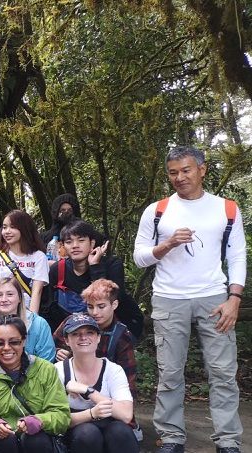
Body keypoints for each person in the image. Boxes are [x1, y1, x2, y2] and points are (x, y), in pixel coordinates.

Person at [132, 146, 245, 453]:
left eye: (186, 170)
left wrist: (234, 298)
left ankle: (228, 441)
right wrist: (166, 244)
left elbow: (236, 257)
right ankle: (171, 438)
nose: (179, 178)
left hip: (214, 298)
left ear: (202, 169)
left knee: (222, 372)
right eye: (172, 172)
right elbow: (139, 257)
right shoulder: (157, 211)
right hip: (169, 298)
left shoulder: (227, 208)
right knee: (170, 372)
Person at [0, 316, 71, 453]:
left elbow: (61, 415)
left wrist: (39, 421)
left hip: (38, 441)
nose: (6, 348)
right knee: (3, 441)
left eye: (14, 342)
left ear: (24, 341)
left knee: (35, 439)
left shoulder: (46, 369)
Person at [45, 220, 144, 338]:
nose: (75, 245)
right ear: (62, 246)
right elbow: (47, 308)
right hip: (74, 333)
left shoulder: (112, 264)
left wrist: (95, 267)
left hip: (116, 332)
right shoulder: (57, 270)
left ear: (92, 244)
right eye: (69, 242)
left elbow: (115, 299)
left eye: (81, 240)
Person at [53, 314, 136, 453]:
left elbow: (126, 415)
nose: (83, 337)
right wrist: (92, 413)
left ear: (98, 337)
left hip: (110, 430)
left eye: (89, 333)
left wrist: (88, 391)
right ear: (67, 340)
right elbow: (56, 420)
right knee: (88, 433)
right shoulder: (57, 371)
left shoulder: (113, 370)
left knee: (120, 431)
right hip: (76, 435)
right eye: (76, 334)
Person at [53, 279, 138, 400]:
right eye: (90, 306)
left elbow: (128, 381)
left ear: (114, 305)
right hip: (70, 390)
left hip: (106, 396)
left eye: (101, 306)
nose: (95, 312)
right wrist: (57, 351)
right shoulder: (72, 322)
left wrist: (124, 409)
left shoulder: (121, 336)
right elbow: (50, 346)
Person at [0, 278, 55, 363]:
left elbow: (47, 361)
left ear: (20, 298)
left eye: (10, 294)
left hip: (33, 375)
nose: (4, 299)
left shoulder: (38, 324)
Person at [0, 210, 48, 314]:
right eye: (4, 227)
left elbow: (37, 292)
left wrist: (32, 320)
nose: (7, 231)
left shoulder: (39, 257)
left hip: (27, 312)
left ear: (25, 229)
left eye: (12, 227)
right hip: (1, 314)